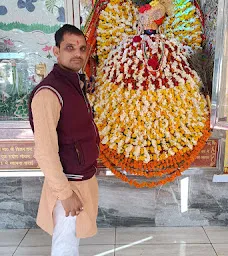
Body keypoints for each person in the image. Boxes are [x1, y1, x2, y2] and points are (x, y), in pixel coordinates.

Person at [91, 0, 210, 188]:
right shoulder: (129, 44)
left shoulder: (169, 44)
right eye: (145, 18)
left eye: (152, 18)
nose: (148, 21)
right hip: (131, 78)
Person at [28, 24, 100, 256]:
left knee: (72, 239)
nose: (77, 53)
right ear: (56, 51)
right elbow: (45, 151)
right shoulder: (49, 92)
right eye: (70, 47)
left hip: (80, 180)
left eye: (81, 48)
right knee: (65, 244)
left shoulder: (74, 85)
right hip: (67, 185)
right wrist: (65, 194)